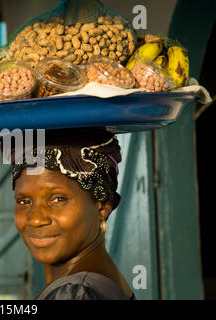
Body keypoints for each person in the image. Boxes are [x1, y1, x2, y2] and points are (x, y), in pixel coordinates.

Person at [9, 127, 136, 300]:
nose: (37, 219)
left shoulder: (76, 293)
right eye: (24, 201)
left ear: (102, 207)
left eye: (58, 199)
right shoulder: (89, 285)